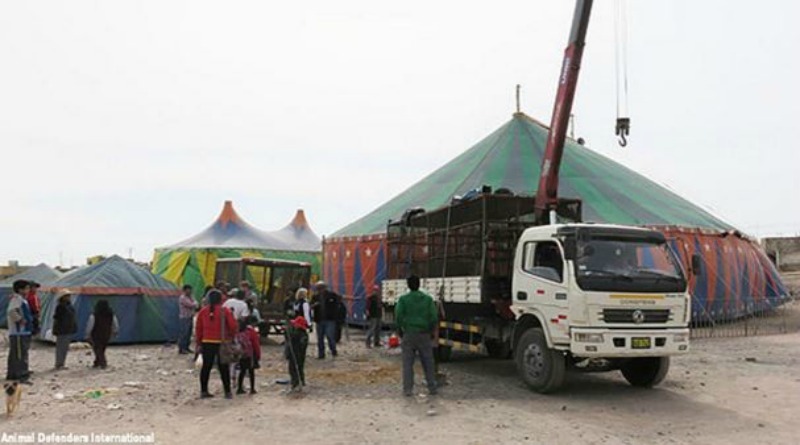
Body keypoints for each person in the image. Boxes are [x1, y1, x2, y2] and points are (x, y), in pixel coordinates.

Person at [395, 275, 438, 397]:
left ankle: (408, 390)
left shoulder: (403, 300)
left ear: (408, 285)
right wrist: (430, 331)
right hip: (424, 334)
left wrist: (400, 329)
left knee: (408, 363)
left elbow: (398, 315)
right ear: (419, 284)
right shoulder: (428, 299)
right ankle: (432, 387)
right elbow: (434, 317)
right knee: (428, 362)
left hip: (409, 334)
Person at [195, 290, 237, 399]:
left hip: (206, 342)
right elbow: (233, 326)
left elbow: (198, 329)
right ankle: (227, 392)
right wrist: (231, 337)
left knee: (206, 367)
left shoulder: (203, 311)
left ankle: (204, 391)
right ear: (220, 299)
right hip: (222, 342)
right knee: (223, 367)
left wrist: (199, 342)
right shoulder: (225, 311)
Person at [6, 280, 33, 383]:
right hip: (19, 332)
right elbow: (12, 311)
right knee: (20, 354)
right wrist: (20, 320)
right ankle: (21, 374)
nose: (28, 290)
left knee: (16, 353)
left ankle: (13, 374)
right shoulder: (17, 299)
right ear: (20, 289)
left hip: (22, 332)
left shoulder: (21, 299)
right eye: (26, 288)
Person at [310, 281, 342, 359]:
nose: (320, 290)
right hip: (319, 319)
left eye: (321, 288)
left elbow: (339, 301)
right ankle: (321, 354)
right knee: (320, 338)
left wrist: (336, 314)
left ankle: (333, 350)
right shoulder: (315, 297)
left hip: (330, 319)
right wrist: (314, 305)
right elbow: (310, 305)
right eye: (318, 288)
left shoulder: (332, 295)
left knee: (330, 336)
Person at [85, 300, 119, 369]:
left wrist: (87, 334)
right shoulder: (111, 314)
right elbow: (115, 324)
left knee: (98, 349)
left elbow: (90, 325)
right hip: (107, 334)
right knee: (102, 348)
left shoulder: (94, 315)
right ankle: (97, 362)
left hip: (96, 334)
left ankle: (103, 363)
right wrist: (115, 331)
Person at [52, 289, 77, 369]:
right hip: (62, 330)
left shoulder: (70, 306)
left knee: (65, 347)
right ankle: (59, 364)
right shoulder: (60, 307)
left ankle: (62, 363)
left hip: (68, 329)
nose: (69, 297)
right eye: (67, 296)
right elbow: (57, 318)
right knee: (61, 347)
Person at [235, 316, 260, 395]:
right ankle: (252, 389)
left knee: (242, 371)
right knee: (251, 371)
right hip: (250, 354)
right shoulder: (250, 331)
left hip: (241, 354)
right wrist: (258, 355)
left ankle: (239, 388)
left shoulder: (236, 332)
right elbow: (255, 344)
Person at [285, 315, 309, 392]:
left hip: (298, 355)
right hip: (293, 354)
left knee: (296, 369)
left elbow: (301, 344)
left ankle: (297, 382)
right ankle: (296, 382)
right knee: (293, 369)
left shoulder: (302, 335)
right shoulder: (295, 332)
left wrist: (292, 337)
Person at [178, 285, 198, 354]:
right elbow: (191, 305)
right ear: (185, 290)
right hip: (184, 318)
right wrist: (194, 303)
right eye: (188, 290)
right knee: (184, 333)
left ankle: (186, 347)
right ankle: (182, 348)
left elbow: (196, 304)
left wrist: (194, 303)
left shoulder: (191, 297)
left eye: (190, 290)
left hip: (190, 317)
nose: (190, 291)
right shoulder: (183, 298)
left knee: (189, 333)